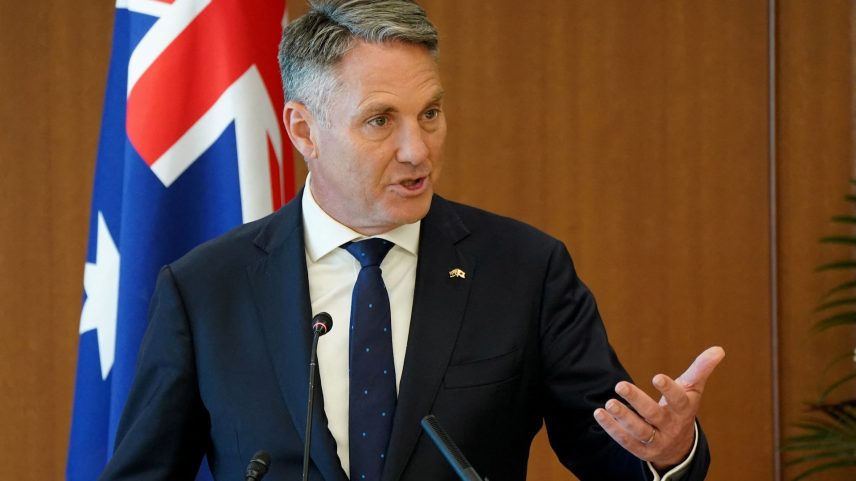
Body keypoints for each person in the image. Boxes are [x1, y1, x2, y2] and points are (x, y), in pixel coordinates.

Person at [99, 1, 725, 480]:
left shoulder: (524, 270)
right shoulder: (207, 289)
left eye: (430, 113)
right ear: (303, 129)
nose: (417, 149)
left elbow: (610, 451)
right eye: (380, 120)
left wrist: (669, 450)